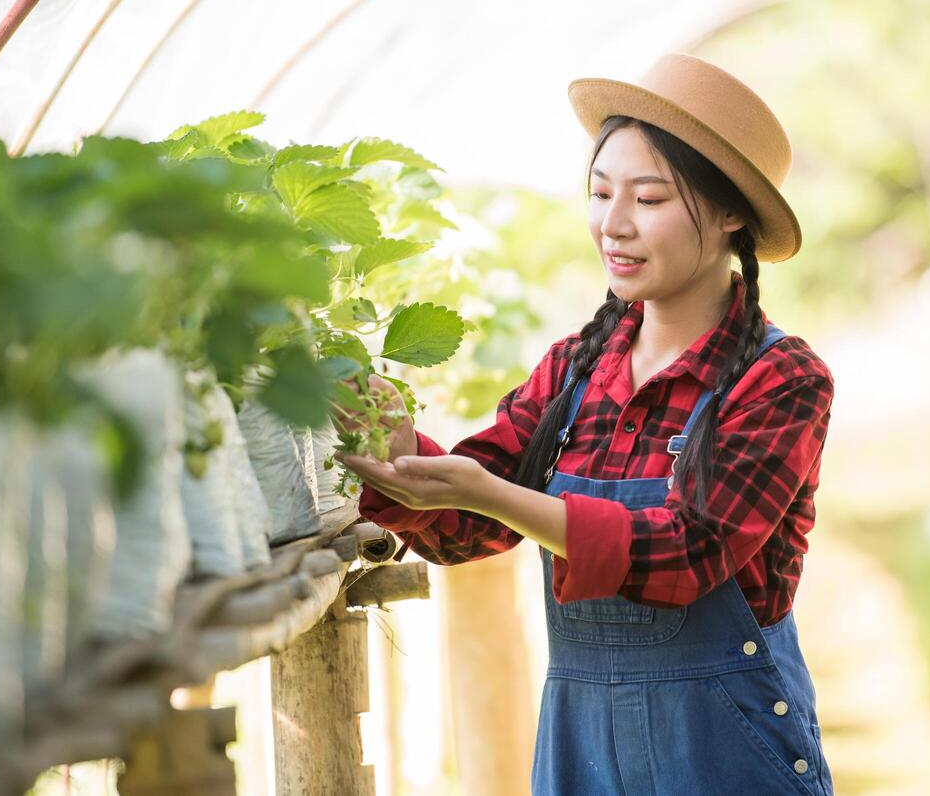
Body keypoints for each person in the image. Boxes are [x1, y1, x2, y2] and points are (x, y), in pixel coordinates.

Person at [335, 53, 835, 795]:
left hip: (723, 748)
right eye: (600, 193)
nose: (613, 224)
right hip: (581, 747)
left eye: (650, 198)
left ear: (731, 213)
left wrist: (487, 495)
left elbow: (687, 553)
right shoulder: (575, 369)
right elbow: (467, 524)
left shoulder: (779, 379)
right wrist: (397, 450)